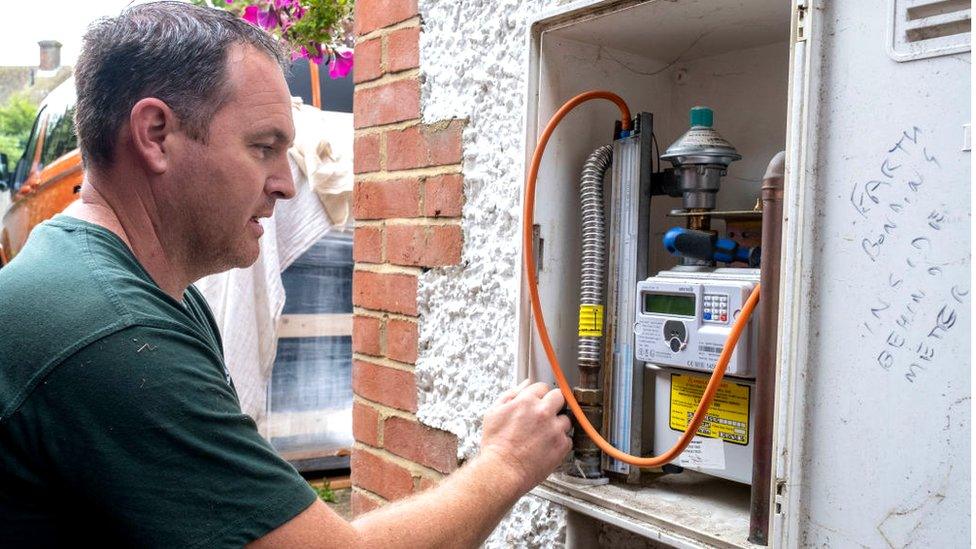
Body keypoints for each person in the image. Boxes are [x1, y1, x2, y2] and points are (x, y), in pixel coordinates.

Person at [0, 2, 571, 547]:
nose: (287, 183)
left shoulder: (132, 289)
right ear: (155, 134)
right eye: (264, 148)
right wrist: (507, 461)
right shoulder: (112, 335)